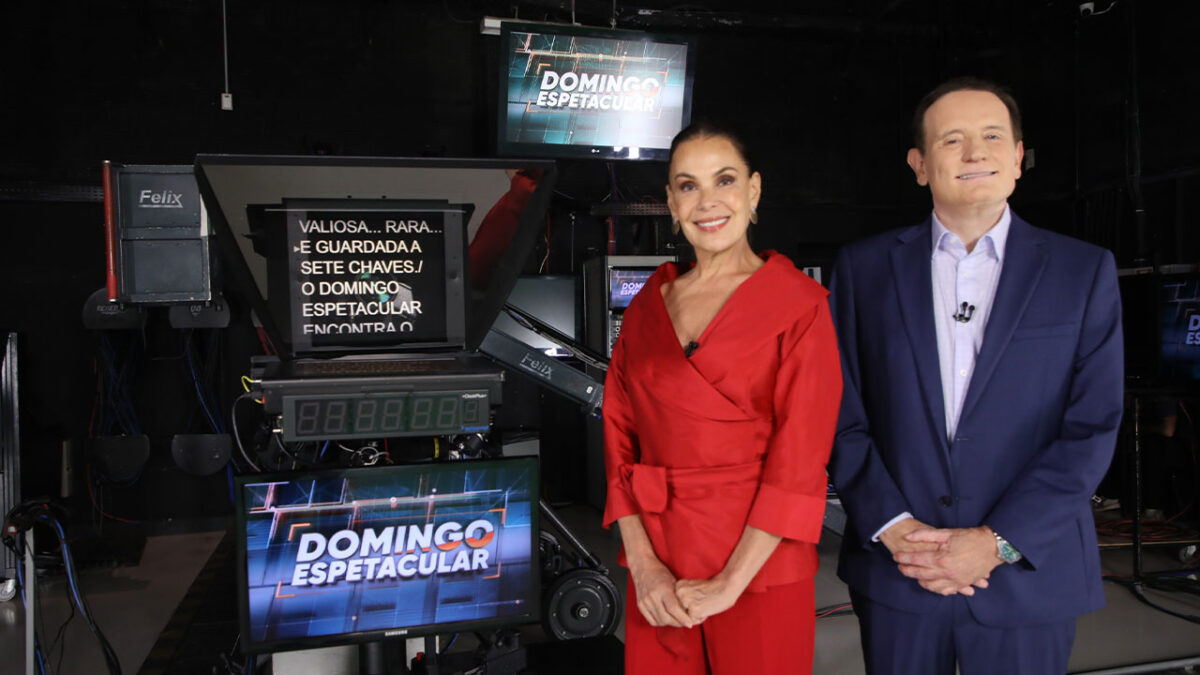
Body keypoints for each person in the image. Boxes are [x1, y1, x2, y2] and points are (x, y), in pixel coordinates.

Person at [828, 77, 1124, 674]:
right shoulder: (863, 271)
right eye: (952, 140)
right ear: (919, 164)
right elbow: (837, 409)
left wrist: (997, 541)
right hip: (900, 567)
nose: (974, 153)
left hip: (1026, 572)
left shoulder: (1083, 271)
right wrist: (893, 527)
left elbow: (1092, 427)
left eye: (992, 136)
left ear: (1017, 157)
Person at [602, 121, 842, 674]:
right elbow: (618, 441)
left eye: (724, 180)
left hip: (760, 563)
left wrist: (732, 582)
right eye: (688, 186)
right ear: (670, 201)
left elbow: (801, 459)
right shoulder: (647, 306)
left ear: (753, 191)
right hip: (658, 557)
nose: (707, 201)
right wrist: (643, 565)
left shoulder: (800, 305)